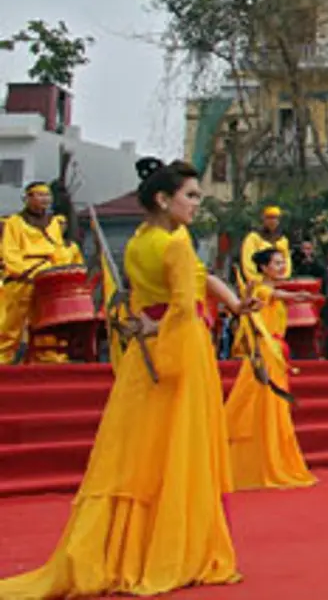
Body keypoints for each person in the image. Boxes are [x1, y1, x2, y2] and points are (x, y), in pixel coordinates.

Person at [0, 159, 254, 597]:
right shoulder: (175, 242)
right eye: (191, 196)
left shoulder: (140, 240)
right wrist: (160, 325)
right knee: (178, 445)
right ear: (163, 198)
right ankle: (169, 549)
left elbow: (178, 288)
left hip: (146, 354)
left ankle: (124, 547)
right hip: (180, 349)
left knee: (137, 449)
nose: (196, 204)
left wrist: (226, 305)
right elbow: (180, 303)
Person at [225, 248, 317, 490]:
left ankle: (269, 458)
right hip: (265, 351)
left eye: (282, 262)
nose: (281, 266)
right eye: (276, 263)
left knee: (272, 405)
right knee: (259, 402)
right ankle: (256, 463)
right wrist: (298, 296)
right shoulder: (260, 289)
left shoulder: (266, 290)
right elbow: (276, 294)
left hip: (275, 351)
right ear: (264, 267)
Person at [1, 182, 84, 363]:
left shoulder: (54, 222)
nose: (44, 199)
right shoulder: (14, 223)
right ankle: (3, 357)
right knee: (11, 324)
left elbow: (58, 250)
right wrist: (25, 272)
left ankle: (47, 357)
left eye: (47, 195)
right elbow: (10, 252)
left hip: (48, 279)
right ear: (28, 198)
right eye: (39, 195)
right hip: (23, 278)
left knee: (46, 321)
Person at [238, 206, 290, 289]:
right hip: (257, 285)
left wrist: (283, 278)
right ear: (264, 220)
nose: (272, 221)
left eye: (275, 218)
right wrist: (258, 280)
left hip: (278, 284)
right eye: (269, 218)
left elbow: (287, 260)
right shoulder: (253, 237)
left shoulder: (283, 240)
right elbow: (248, 262)